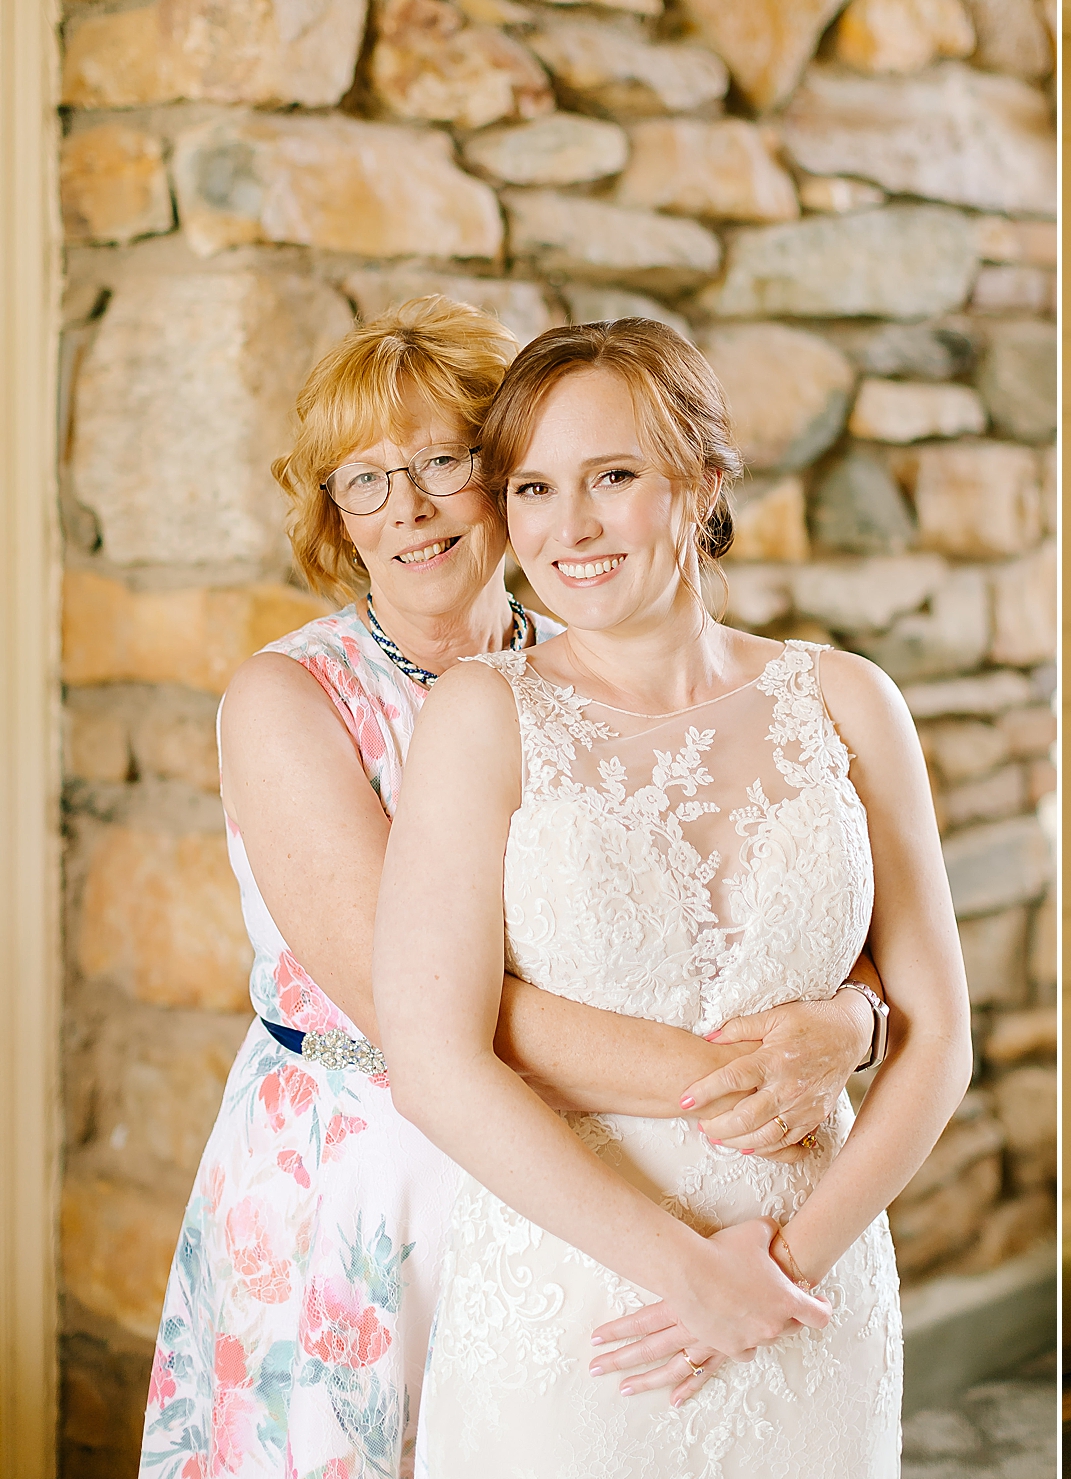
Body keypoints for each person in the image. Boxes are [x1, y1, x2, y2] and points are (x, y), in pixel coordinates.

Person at [140, 298, 882, 1479]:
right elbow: (419, 1015)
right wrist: (759, 1078)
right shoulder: (290, 704)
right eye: (363, 479)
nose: (409, 509)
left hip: (598, 1185)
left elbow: (748, 915)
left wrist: (853, 1017)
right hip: (370, 1174)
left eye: (442, 462)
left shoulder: (600, 658)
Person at [372, 319, 973, 1473]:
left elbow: (937, 1034)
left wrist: (784, 1268)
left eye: (612, 478)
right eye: (533, 488)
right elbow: (436, 1063)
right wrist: (688, 1273)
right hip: (583, 1305)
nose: (568, 528)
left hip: (814, 1289)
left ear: (698, 484)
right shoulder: (482, 717)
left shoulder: (846, 700)